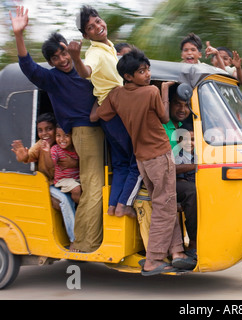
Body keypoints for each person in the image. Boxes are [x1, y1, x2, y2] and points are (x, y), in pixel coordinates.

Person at [9, 6, 104, 252]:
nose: (62, 60)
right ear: (51, 62)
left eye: (64, 53)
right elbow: (28, 66)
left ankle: (89, 237)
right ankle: (84, 242)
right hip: (82, 131)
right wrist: (19, 35)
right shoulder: (52, 78)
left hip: (98, 130)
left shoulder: (86, 68)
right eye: (55, 59)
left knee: (94, 184)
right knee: (93, 185)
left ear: (70, 48)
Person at [96, 48, 196, 275]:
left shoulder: (116, 95)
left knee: (163, 204)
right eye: (142, 71)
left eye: (148, 70)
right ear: (129, 76)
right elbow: (164, 117)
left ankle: (177, 251)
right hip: (159, 156)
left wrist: (128, 126)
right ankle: (153, 259)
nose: (148, 74)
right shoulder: (151, 91)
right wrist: (162, 90)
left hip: (141, 159)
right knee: (166, 207)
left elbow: (99, 115)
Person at [69, 5, 140, 217]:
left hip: (110, 114)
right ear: (85, 34)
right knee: (137, 159)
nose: (98, 27)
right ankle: (124, 206)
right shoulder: (95, 53)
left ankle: (112, 207)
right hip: (117, 114)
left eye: (98, 21)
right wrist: (75, 58)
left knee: (120, 164)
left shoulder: (108, 47)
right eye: (91, 27)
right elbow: (86, 72)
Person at [11, 113, 77, 243]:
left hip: (66, 182)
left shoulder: (64, 142)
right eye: (40, 131)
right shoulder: (40, 144)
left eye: (49, 129)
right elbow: (29, 155)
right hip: (49, 184)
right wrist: (23, 157)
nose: (45, 133)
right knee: (64, 201)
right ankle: (74, 239)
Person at [163, 86, 197, 257]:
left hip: (178, 177)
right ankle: (193, 242)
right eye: (178, 104)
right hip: (162, 180)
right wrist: (197, 166)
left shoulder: (185, 126)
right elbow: (167, 167)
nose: (182, 109)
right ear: (168, 103)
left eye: (186, 105)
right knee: (192, 192)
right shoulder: (162, 127)